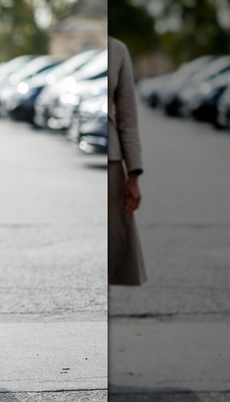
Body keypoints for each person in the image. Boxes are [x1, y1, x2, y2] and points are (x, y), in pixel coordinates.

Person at [107, 36, 147, 285]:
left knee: (113, 242)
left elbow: (128, 118)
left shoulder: (118, 50)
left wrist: (133, 174)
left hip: (111, 162)